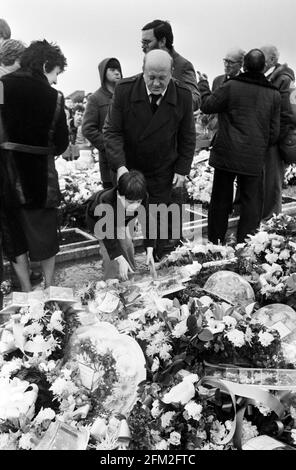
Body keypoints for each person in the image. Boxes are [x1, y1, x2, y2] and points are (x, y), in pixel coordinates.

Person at [103, 49, 196, 261]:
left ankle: (159, 261)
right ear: (143, 71)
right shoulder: (125, 90)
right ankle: (122, 264)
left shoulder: (182, 95)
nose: (156, 83)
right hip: (129, 168)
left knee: (160, 223)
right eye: (151, 77)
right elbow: (112, 131)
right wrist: (120, 166)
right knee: (120, 221)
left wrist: (182, 169)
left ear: (172, 73)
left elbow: (188, 136)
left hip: (161, 168)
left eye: (162, 78)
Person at [0, 39, 69, 291]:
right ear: (44, 64)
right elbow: (62, 142)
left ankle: (27, 292)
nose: (56, 81)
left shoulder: (1, 87)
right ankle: (50, 288)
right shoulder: (55, 98)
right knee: (45, 236)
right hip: (41, 178)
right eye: (56, 72)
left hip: (6, 175)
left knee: (14, 236)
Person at [197, 49, 281, 244]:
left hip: (227, 154)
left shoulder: (231, 86)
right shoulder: (273, 94)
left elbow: (207, 105)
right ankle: (245, 245)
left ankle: (216, 244)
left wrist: (203, 85)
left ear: (243, 66)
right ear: (263, 67)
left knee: (220, 201)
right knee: (252, 203)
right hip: (254, 157)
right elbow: (274, 133)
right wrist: (258, 144)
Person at [86, 170, 155, 281]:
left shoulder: (143, 196)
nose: (135, 205)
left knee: (126, 245)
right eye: (130, 202)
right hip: (99, 222)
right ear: (119, 195)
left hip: (122, 218)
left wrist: (150, 250)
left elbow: (147, 222)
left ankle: (131, 274)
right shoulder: (106, 202)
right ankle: (110, 281)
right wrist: (119, 258)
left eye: (138, 201)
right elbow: (108, 235)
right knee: (110, 254)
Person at [260, 45, 295, 220]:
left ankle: (270, 231)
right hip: (263, 141)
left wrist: (273, 137)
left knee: (271, 189)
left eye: (263, 57)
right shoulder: (265, 77)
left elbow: (287, 115)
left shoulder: (283, 79)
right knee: (262, 187)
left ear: (273, 60)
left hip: (274, 143)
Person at [141, 19, 200, 111]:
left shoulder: (183, 66)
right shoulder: (148, 64)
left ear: (162, 42)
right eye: (142, 43)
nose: (143, 47)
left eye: (147, 42)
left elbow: (195, 101)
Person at [82, 57, 122, 188]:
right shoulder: (95, 99)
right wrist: (108, 145)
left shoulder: (125, 96)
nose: (117, 73)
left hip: (128, 160)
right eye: (112, 69)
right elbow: (88, 129)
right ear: (104, 72)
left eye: (118, 69)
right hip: (109, 162)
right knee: (112, 202)